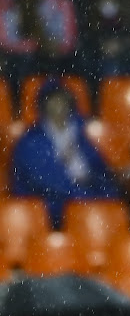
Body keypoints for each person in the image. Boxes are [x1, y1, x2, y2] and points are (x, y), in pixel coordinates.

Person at [11, 80, 120, 228]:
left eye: (62, 100)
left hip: (87, 199)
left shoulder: (82, 133)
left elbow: (100, 170)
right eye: (53, 101)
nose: (59, 106)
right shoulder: (31, 140)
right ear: (43, 106)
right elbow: (44, 182)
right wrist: (83, 195)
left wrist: (106, 193)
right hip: (49, 208)